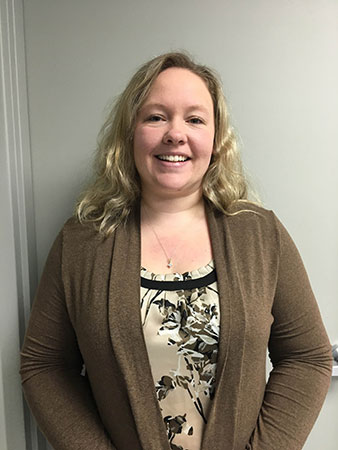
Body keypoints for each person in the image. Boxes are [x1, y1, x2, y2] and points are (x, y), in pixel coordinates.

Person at [20, 52, 332, 450]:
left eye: (195, 119)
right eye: (156, 117)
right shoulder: (81, 243)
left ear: (217, 140)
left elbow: (307, 357)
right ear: (130, 132)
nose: (175, 134)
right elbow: (44, 366)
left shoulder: (260, 235)